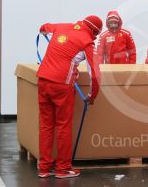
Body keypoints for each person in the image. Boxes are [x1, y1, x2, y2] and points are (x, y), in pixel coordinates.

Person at [36, 15, 102, 179]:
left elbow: (43, 26)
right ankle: (63, 169)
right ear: (94, 31)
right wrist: (91, 96)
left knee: (46, 126)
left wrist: (47, 35)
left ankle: (44, 168)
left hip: (43, 79)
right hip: (62, 85)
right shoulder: (87, 41)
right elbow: (94, 74)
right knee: (63, 126)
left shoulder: (63, 26)